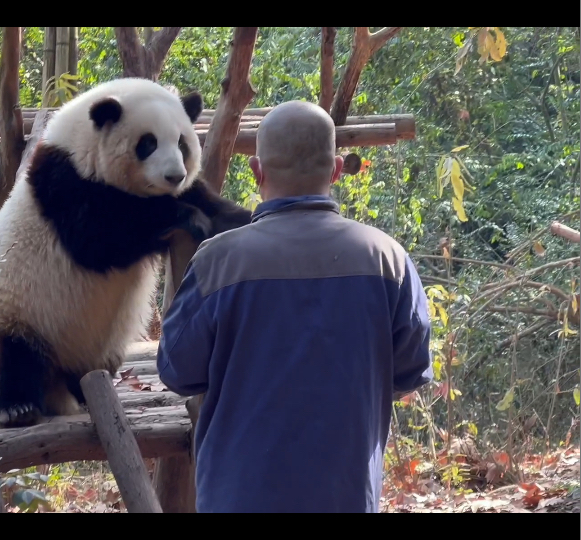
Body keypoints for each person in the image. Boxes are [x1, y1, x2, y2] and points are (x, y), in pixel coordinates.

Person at [155, 100, 434, 513]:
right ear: (338, 169)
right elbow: (410, 371)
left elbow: (177, 370)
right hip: (348, 497)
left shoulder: (218, 261)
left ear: (257, 172)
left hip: (237, 499)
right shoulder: (386, 259)